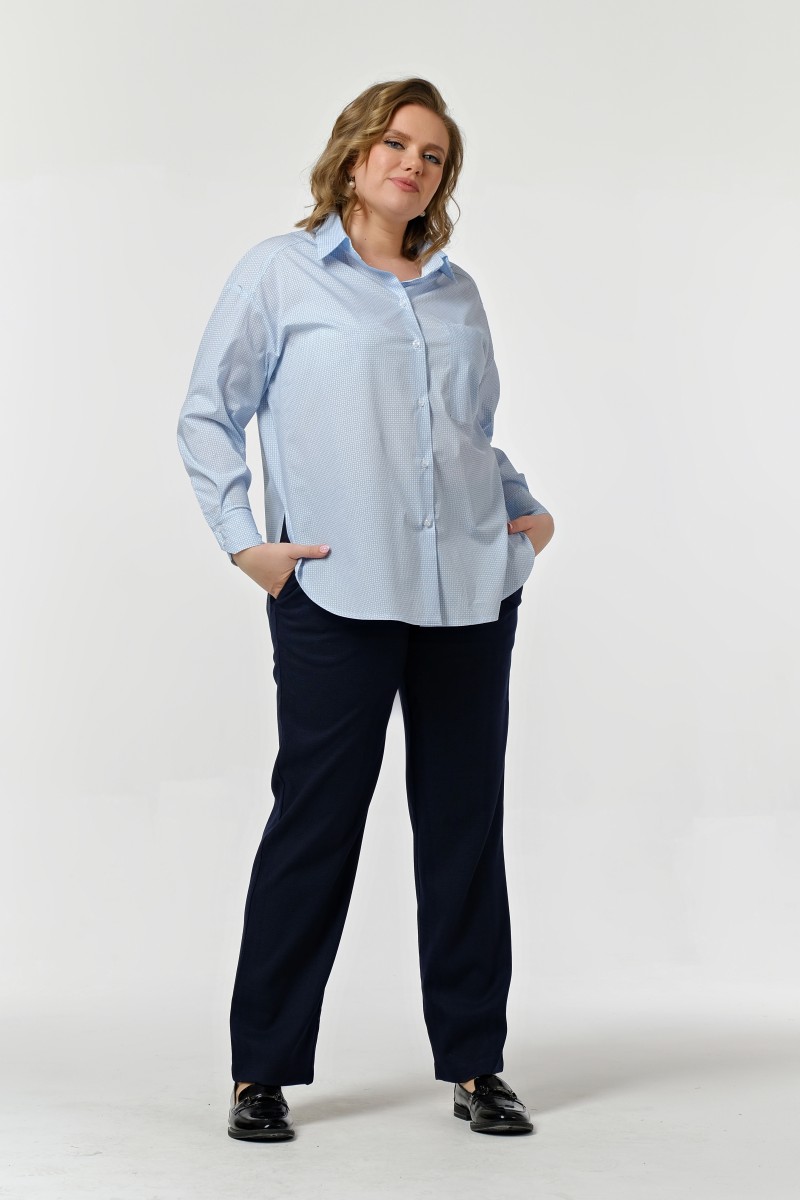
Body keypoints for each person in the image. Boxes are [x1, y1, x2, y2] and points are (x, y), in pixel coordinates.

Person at [176, 76, 555, 1142]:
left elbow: (466, 434)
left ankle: (475, 1064)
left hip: (469, 594)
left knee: (463, 830)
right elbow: (208, 414)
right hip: (336, 592)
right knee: (315, 824)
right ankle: (261, 1072)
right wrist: (246, 543)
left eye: (433, 155)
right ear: (353, 154)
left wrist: (524, 516)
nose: (413, 165)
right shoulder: (281, 273)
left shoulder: (456, 293)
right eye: (396, 144)